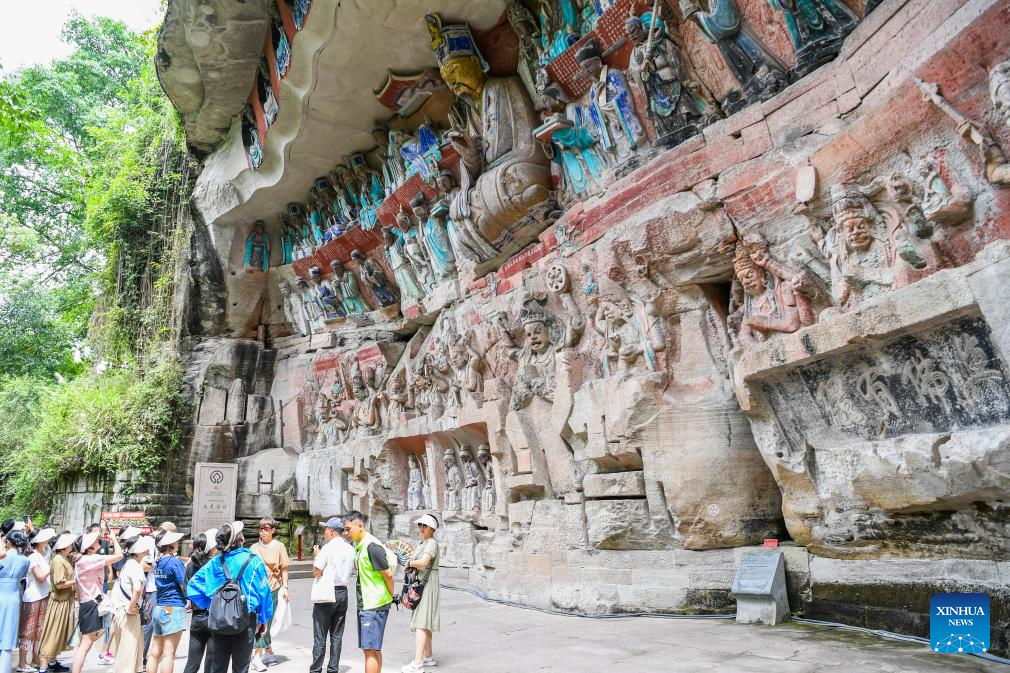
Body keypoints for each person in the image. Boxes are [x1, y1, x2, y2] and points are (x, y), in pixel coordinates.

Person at [186, 522, 273, 673]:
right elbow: (264, 592)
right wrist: (263, 619)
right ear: (240, 539)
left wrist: (212, 601)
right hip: (246, 619)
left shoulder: (215, 562)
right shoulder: (254, 561)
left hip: (220, 619)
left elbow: (192, 586)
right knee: (241, 667)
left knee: (218, 665)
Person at [343, 511, 394, 673]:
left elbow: (388, 575)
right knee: (374, 648)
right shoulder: (362, 545)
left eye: (348, 529)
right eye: (344, 529)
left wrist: (391, 597)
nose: (346, 533)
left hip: (373, 604)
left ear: (360, 526)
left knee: (369, 650)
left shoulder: (372, 546)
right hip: (369, 602)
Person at [71, 525, 123, 673]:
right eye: (94, 540)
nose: (97, 540)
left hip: (86, 603)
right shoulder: (90, 559)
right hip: (91, 604)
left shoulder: (81, 559)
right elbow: (119, 556)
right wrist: (114, 539)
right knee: (86, 644)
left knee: (85, 642)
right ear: (89, 546)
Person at [309, 518, 354, 673]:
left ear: (332, 531)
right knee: (337, 635)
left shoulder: (327, 549)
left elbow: (316, 571)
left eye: (326, 529)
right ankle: (333, 669)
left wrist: (317, 555)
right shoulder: (350, 549)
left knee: (320, 635)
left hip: (327, 593)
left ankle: (316, 669)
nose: (324, 532)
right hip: (342, 592)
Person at [400, 515, 441, 673]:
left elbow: (424, 562)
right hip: (424, 583)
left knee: (421, 623)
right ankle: (428, 657)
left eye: (425, 525)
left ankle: (418, 664)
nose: (422, 528)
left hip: (427, 584)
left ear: (432, 529)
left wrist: (409, 563)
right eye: (420, 525)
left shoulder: (431, 543)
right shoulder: (424, 543)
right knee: (425, 622)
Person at [249, 517, 289, 671]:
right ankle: (270, 653)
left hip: (272, 589)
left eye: (266, 528)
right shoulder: (253, 547)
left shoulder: (279, 546)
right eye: (261, 528)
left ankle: (257, 656)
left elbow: (284, 568)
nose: (263, 531)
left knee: (264, 621)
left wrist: (285, 587)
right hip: (257, 591)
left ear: (273, 530)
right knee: (261, 621)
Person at [111, 537, 152, 673]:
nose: (147, 550)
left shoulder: (128, 564)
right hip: (130, 613)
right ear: (139, 552)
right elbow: (137, 589)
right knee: (129, 652)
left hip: (121, 610)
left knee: (124, 650)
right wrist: (131, 606)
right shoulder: (136, 566)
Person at [146, 532, 186, 673]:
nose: (178, 543)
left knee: (155, 651)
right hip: (173, 607)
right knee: (169, 653)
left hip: (159, 607)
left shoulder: (158, 562)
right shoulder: (175, 562)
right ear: (170, 545)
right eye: (176, 541)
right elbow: (183, 585)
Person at [18, 528, 56, 672]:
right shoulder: (33, 556)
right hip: (33, 597)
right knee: (28, 631)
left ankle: (34, 659)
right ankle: (22, 663)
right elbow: (40, 577)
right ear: (39, 542)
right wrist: (52, 568)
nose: (47, 541)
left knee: (39, 630)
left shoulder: (40, 555)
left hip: (42, 595)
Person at [38, 533, 76, 673]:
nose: (72, 545)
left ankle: (52, 662)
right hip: (59, 602)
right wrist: (76, 580)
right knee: (52, 633)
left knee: (58, 633)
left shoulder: (64, 558)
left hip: (64, 601)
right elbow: (59, 584)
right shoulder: (58, 560)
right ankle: (43, 667)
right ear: (64, 546)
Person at [181, 531, 217, 673]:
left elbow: (186, 593)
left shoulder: (190, 566)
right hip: (214, 617)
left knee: (192, 663)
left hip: (196, 617)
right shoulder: (215, 566)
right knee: (211, 662)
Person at [1, 532, 32, 673]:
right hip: (14, 596)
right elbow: (22, 576)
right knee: (8, 635)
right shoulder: (25, 560)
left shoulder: (3, 557)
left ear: (7, 542)